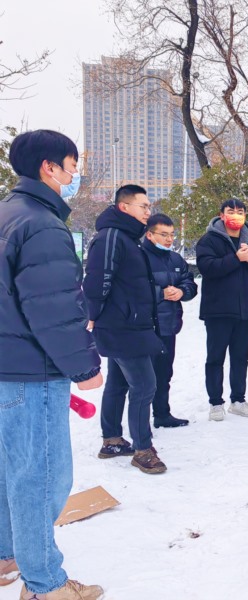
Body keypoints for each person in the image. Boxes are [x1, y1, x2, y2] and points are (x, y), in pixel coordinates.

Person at [0, 130, 104, 599]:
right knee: (41, 479)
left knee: (11, 471)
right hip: (31, 371)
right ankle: (45, 585)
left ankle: (7, 554)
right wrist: (84, 367)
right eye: (72, 165)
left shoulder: (7, 214)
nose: (75, 173)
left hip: (8, 366)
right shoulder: (41, 224)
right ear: (49, 167)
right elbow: (54, 308)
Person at [84, 184, 167, 475]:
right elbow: (97, 280)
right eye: (143, 206)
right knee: (145, 386)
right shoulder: (110, 237)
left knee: (119, 384)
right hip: (122, 327)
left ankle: (112, 440)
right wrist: (93, 315)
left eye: (149, 206)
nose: (148, 211)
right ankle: (143, 450)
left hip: (130, 324)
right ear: (124, 207)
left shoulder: (128, 238)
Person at [196, 198, 248, 421]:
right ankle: (215, 403)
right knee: (215, 358)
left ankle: (238, 400)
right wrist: (236, 258)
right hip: (218, 310)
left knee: (240, 357)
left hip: (245, 311)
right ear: (222, 215)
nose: (236, 215)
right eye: (231, 211)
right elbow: (207, 268)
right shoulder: (209, 240)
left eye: (240, 211)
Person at [142, 213, 198, 428]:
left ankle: (162, 414)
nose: (169, 239)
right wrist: (160, 293)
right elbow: (134, 289)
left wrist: (182, 291)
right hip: (144, 327)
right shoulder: (138, 256)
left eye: (172, 235)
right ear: (149, 234)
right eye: (163, 234)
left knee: (164, 373)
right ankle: (139, 420)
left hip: (168, 326)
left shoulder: (175, 259)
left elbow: (190, 283)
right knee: (143, 378)